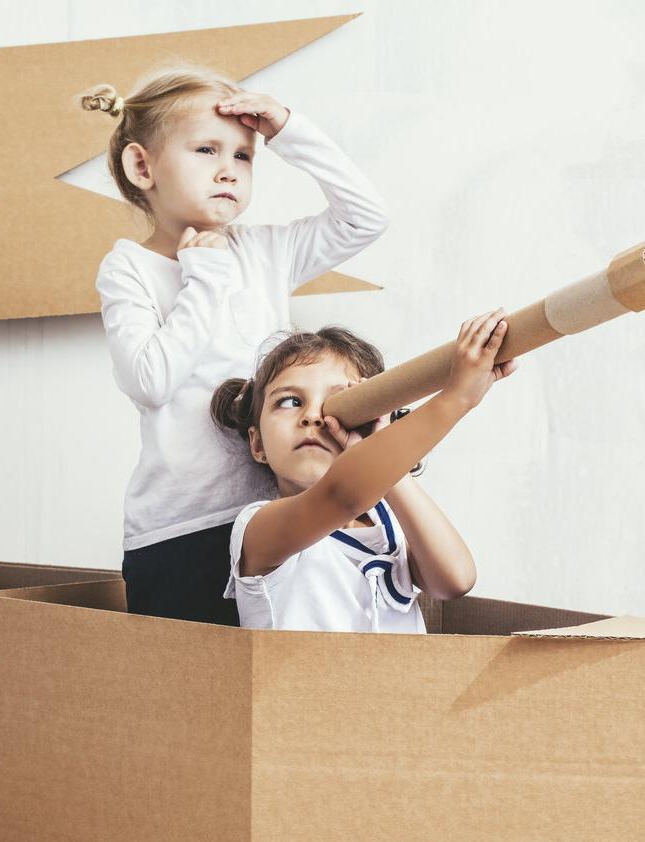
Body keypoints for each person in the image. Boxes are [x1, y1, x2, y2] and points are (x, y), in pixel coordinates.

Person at [83, 64, 389, 623]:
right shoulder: (128, 267)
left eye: (243, 156)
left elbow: (366, 218)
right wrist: (204, 277)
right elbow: (149, 382)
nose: (228, 170)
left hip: (275, 517)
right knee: (191, 691)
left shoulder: (267, 251)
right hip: (181, 530)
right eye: (206, 150)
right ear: (142, 165)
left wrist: (289, 131)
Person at [210, 314, 516, 632]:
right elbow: (342, 495)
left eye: (338, 401)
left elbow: (456, 580)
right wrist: (458, 397)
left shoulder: (392, 527)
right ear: (257, 443)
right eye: (290, 401)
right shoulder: (257, 529)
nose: (312, 416)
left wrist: (384, 458)